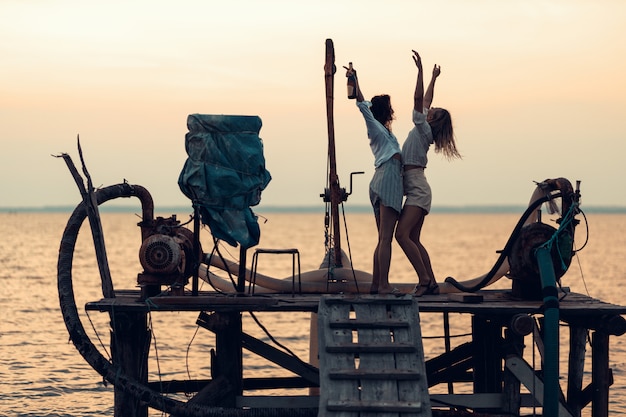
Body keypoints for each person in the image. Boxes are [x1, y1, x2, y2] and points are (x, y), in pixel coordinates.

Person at [395, 50, 461, 296]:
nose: (428, 110)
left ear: (433, 120)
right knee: (413, 237)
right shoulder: (425, 128)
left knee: (401, 235)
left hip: (418, 189)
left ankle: (424, 280)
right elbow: (425, 100)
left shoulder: (423, 129)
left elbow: (417, 98)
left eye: (432, 112)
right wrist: (434, 78)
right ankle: (431, 282)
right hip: (418, 187)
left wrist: (420, 72)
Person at [346, 64, 404, 295]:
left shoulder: (386, 133)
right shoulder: (377, 129)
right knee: (386, 238)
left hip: (383, 177)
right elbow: (362, 105)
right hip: (387, 177)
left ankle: (375, 284)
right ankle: (383, 285)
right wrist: (355, 80)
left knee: (382, 238)